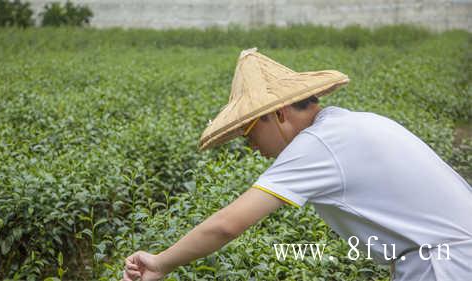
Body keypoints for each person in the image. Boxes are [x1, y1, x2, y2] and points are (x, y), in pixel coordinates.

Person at [122, 48, 472, 281]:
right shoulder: (345, 125)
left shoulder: (319, 144)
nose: (251, 146)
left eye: (249, 132)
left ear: (277, 113)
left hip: (447, 266)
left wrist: (160, 262)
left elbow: (228, 225)